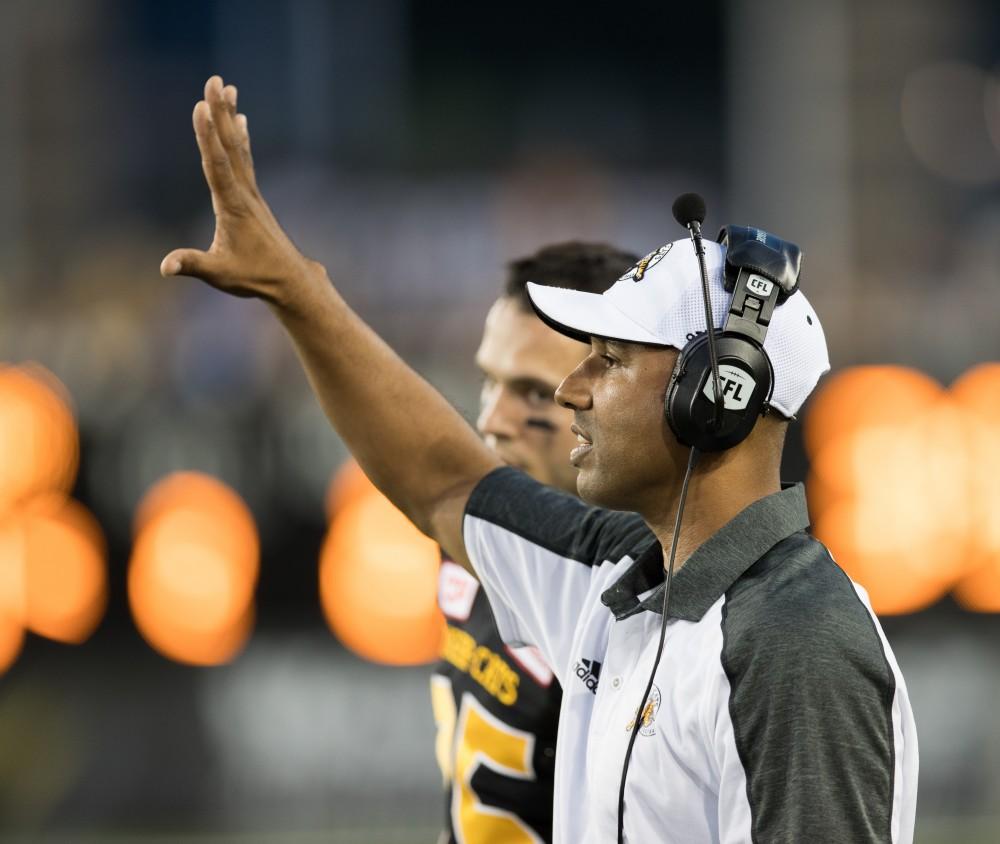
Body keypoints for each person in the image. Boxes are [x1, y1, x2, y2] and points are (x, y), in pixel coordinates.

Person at [163, 76, 918, 843]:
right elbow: (441, 479)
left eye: (612, 361)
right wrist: (294, 289)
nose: (571, 389)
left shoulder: (796, 639)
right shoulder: (619, 574)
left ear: (716, 395)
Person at [431, 241, 638, 843]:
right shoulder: (476, 534)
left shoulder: (648, 596)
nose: (491, 421)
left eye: (529, 392)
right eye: (487, 382)